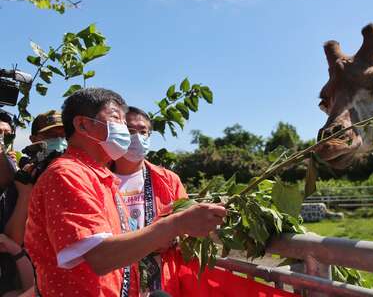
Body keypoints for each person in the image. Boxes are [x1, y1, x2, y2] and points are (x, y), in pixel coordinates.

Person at [25, 88, 226, 296]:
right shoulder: (67, 174)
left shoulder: (100, 176)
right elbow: (100, 257)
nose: (124, 131)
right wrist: (175, 224)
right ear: (82, 124)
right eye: (116, 119)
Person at [113, 106, 189, 296]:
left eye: (143, 131)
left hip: (160, 283)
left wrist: (173, 239)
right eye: (130, 131)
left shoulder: (168, 180)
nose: (137, 137)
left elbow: (188, 228)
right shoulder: (98, 178)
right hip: (113, 279)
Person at [6, 110, 66, 245]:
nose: (59, 140)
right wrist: (26, 194)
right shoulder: (24, 179)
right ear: (33, 140)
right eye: (51, 135)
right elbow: (13, 239)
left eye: (64, 136)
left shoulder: (81, 173)